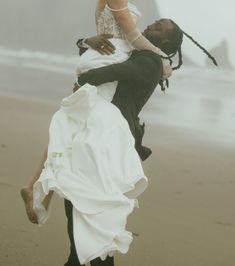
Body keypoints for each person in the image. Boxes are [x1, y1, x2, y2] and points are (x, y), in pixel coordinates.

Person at [21, 2, 217, 266]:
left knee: (96, 222)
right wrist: (87, 41)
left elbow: (112, 70)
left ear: (166, 42)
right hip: (97, 139)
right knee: (82, 216)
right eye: (155, 22)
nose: (151, 25)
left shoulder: (149, 61)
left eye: (158, 27)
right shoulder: (139, 54)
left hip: (109, 145)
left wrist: (84, 79)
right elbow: (110, 49)